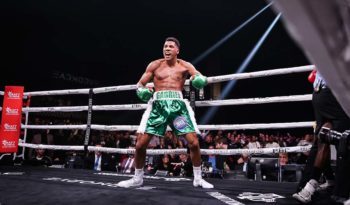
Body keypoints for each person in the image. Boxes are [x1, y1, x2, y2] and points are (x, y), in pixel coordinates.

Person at [117, 37, 213, 189]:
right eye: (165, 46)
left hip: (177, 108)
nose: (167, 49)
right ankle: (137, 178)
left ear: (177, 50)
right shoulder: (155, 65)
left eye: (170, 46)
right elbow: (140, 84)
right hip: (158, 107)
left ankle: (198, 178)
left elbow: (198, 76)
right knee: (140, 144)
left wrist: (199, 79)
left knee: (193, 142)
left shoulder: (184, 65)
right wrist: (142, 91)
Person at [293, 70, 350, 203]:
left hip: (318, 96)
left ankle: (309, 188)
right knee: (345, 140)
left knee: (322, 137)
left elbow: (311, 77)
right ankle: (343, 193)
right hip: (334, 94)